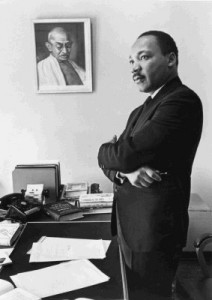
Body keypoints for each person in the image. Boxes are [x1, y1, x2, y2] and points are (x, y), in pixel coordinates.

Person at [98, 30, 203, 299]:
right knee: (130, 293)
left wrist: (106, 152)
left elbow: (120, 154)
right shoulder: (140, 110)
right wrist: (124, 171)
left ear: (170, 59)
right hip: (130, 225)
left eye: (143, 58)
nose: (135, 68)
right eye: (131, 62)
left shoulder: (181, 101)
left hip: (154, 233)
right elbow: (120, 161)